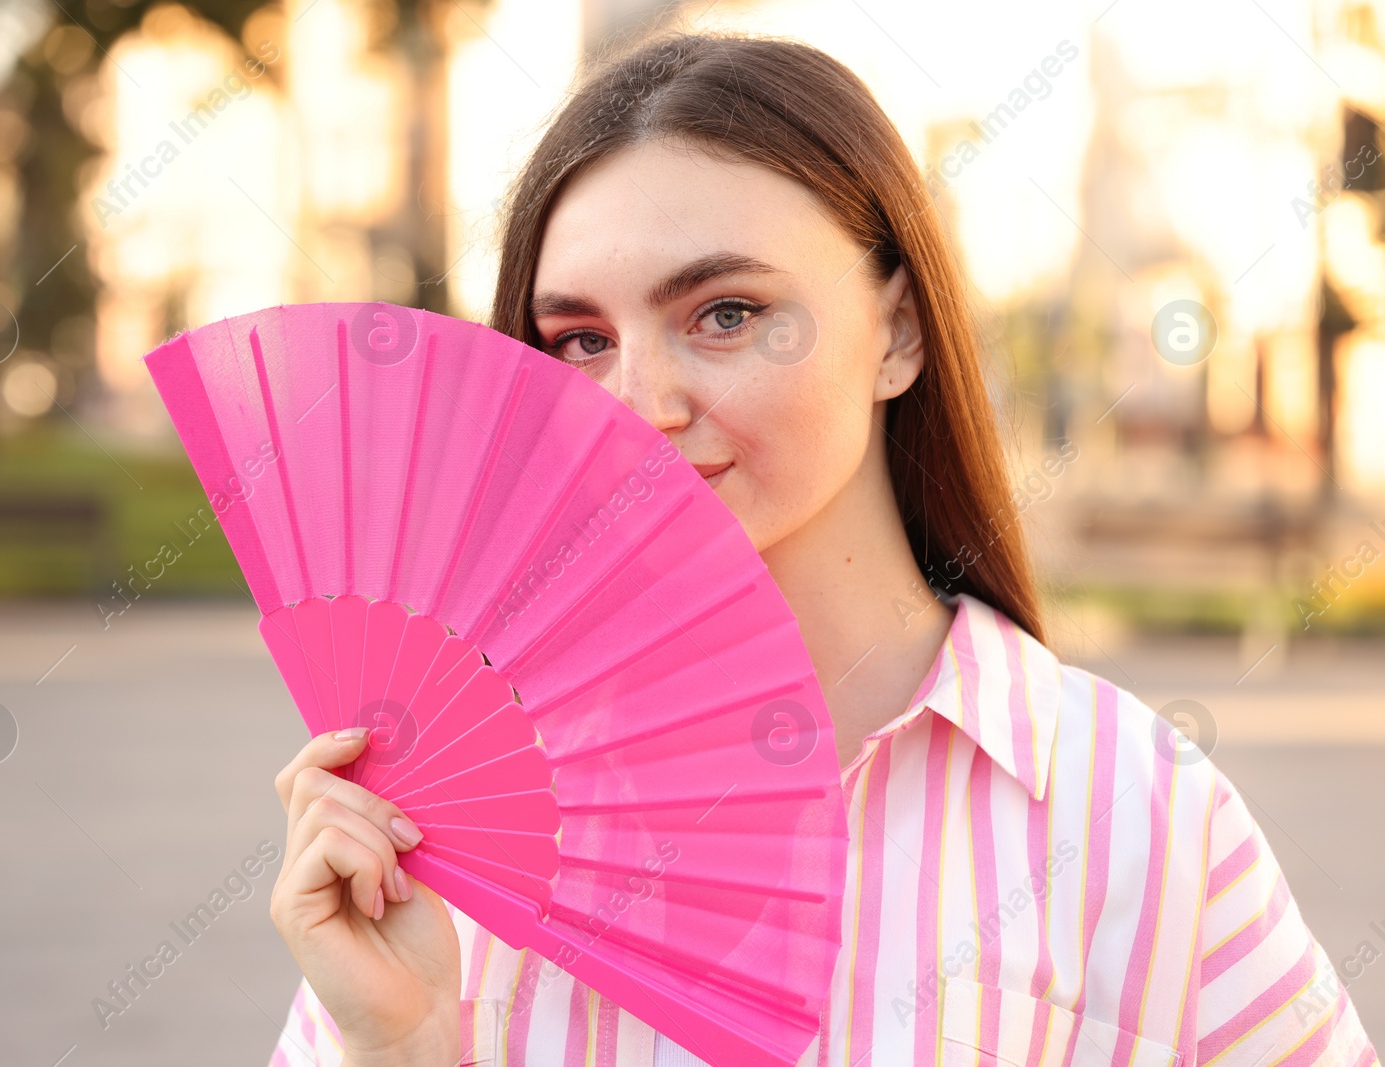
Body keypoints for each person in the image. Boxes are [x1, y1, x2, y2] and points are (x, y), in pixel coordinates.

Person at [264, 30, 1378, 1067]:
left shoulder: (1129, 809)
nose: (638, 405)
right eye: (581, 340)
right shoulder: (445, 831)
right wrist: (400, 1047)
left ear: (895, 329)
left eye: (726, 313)